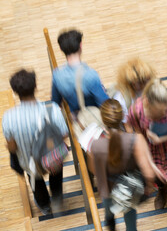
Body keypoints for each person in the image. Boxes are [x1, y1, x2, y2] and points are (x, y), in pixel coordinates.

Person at [90, 99, 165, 231]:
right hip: (129, 189)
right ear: (121, 117)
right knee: (130, 215)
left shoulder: (95, 145)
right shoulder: (135, 140)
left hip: (107, 188)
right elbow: (148, 173)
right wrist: (148, 187)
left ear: (103, 119)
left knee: (108, 212)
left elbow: (94, 170)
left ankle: (111, 225)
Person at [2, 69, 68, 214]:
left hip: (29, 161)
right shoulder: (53, 110)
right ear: (35, 87)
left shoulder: (8, 118)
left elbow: (12, 147)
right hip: (52, 158)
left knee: (36, 183)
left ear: (15, 92)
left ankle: (45, 206)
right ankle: (57, 199)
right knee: (56, 177)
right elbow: (64, 134)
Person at [127, 78, 167, 209]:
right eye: (159, 111)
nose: (163, 113)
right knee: (156, 173)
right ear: (148, 103)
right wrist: (149, 161)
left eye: (164, 110)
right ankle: (163, 188)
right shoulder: (135, 111)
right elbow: (138, 134)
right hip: (152, 148)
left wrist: (161, 139)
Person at [51, 28, 109, 113]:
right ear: (80, 45)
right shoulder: (91, 75)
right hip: (93, 119)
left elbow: (55, 102)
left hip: (76, 119)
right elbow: (104, 104)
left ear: (61, 48)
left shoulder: (56, 75)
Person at [112, 57, 156, 132]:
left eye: (147, 80)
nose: (146, 84)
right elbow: (128, 127)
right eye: (141, 82)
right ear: (132, 83)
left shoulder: (150, 86)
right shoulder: (121, 99)